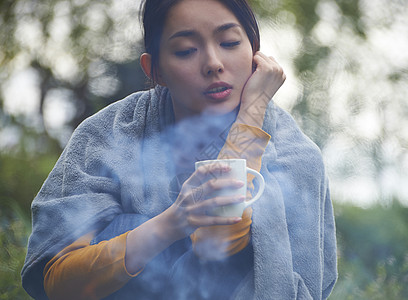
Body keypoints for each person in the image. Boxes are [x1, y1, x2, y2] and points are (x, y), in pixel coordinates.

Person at [22, 0, 338, 299]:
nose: (214, 64)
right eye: (186, 50)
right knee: (127, 228)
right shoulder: (106, 137)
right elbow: (57, 281)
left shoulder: (296, 156)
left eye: (229, 43)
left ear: (256, 53)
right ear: (154, 69)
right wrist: (170, 224)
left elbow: (217, 246)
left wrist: (251, 116)